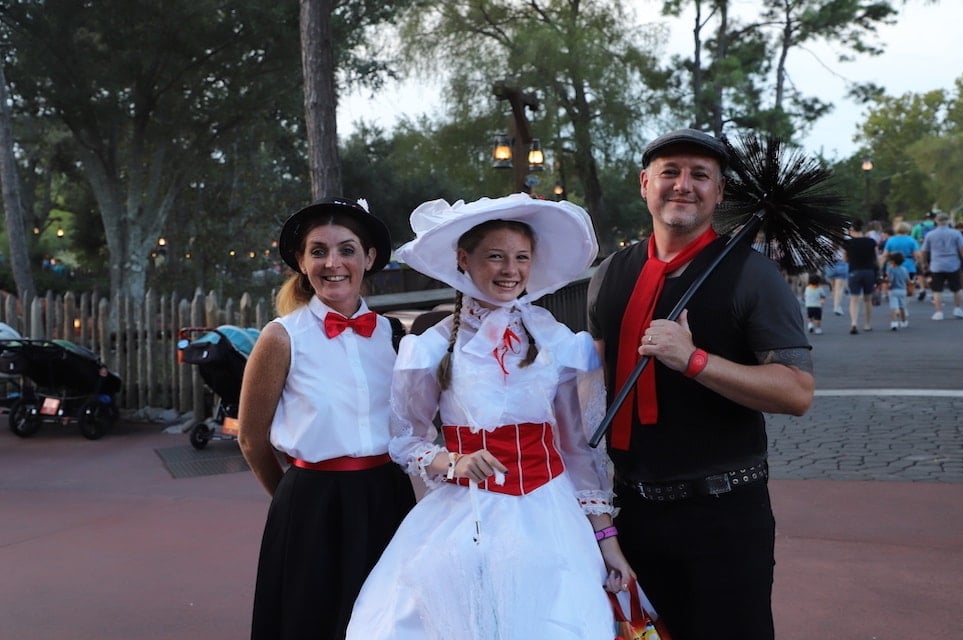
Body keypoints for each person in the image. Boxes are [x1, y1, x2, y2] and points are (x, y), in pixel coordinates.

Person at [347, 194, 634, 639]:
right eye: (495, 257)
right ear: (464, 259)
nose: (510, 270)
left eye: (521, 258)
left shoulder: (554, 341)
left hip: (550, 516)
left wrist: (606, 539)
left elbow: (577, 449)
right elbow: (406, 440)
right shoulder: (431, 348)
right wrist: (453, 462)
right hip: (467, 515)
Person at [587, 128, 815, 639]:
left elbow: (797, 392)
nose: (683, 185)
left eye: (699, 175)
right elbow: (587, 388)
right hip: (631, 514)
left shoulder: (753, 276)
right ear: (644, 184)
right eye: (670, 172)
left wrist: (692, 360)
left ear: (720, 192)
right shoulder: (607, 275)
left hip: (725, 516)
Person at [237, 197, 416, 640]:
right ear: (301, 261)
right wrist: (290, 500)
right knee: (310, 620)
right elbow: (250, 439)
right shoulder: (281, 338)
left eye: (347, 249)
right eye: (318, 251)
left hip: (387, 496)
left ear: (369, 258)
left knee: (387, 618)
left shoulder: (395, 336)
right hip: (311, 501)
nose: (333, 263)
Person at [920, 212, 963, 320]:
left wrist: (924, 263)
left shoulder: (930, 235)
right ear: (948, 221)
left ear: (936, 221)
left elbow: (924, 251)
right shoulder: (956, 233)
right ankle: (958, 309)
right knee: (956, 288)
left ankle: (939, 312)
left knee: (937, 290)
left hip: (936, 264)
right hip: (953, 263)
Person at [843, 218, 880, 334]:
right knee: (867, 299)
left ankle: (854, 322)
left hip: (854, 271)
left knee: (854, 299)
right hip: (869, 271)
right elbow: (876, 258)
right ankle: (867, 324)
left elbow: (845, 259)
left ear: (852, 230)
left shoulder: (848, 243)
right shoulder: (871, 241)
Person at [880, 221, 921, 304]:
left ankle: (895, 303)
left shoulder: (891, 240)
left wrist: (880, 266)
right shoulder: (911, 240)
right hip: (909, 265)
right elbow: (917, 255)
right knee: (908, 285)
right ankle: (904, 304)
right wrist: (919, 263)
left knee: (893, 284)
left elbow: (885, 255)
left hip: (892, 266)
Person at [884, 251, 910, 330]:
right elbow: (908, 280)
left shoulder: (891, 269)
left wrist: (886, 281)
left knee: (893, 307)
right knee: (902, 307)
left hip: (893, 290)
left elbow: (890, 279)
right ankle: (904, 321)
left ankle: (894, 323)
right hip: (903, 290)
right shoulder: (904, 269)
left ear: (893, 261)